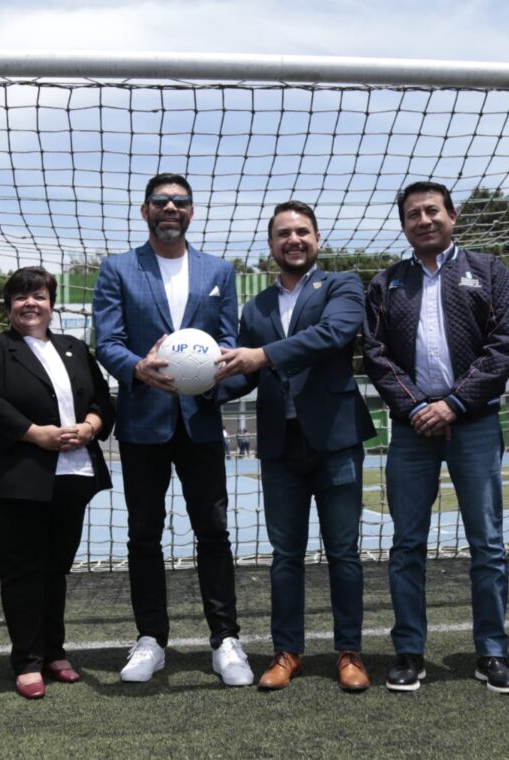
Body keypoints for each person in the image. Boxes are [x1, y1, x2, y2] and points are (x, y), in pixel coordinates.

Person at [92, 172, 252, 686]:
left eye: (180, 201)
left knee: (214, 532)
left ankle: (225, 639)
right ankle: (150, 640)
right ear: (145, 211)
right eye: (160, 201)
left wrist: (212, 378)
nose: (170, 208)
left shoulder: (219, 271)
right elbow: (107, 341)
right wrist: (137, 368)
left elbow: (229, 341)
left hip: (200, 420)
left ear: (191, 211)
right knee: (144, 534)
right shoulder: (118, 268)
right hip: (143, 423)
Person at [363, 180, 509, 694]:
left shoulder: (489, 270)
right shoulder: (386, 283)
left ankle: (492, 652)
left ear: (453, 216)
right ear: (404, 225)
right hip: (412, 429)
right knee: (406, 544)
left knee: (487, 544)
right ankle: (409, 651)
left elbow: (505, 346)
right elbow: (376, 355)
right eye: (413, 214)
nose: (424, 220)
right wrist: (416, 407)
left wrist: (454, 403)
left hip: (474, 423)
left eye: (432, 211)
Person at [217, 201, 376, 691]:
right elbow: (243, 374)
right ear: (271, 245)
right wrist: (197, 385)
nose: (294, 240)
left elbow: (334, 335)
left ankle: (349, 652)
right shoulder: (256, 307)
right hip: (280, 447)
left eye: (302, 231)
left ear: (317, 239)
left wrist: (262, 354)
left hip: (336, 441)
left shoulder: (343, 285)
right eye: (283, 233)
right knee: (285, 555)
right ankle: (287, 652)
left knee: (344, 553)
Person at [0, 266, 114, 699]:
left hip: (73, 477)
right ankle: (27, 660)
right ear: (8, 305)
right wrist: (34, 434)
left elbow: (102, 398)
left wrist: (90, 426)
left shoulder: (74, 348)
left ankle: (54, 651)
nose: (31, 303)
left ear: (51, 304)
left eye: (39, 296)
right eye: (21, 297)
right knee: (22, 573)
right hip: (15, 480)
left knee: (55, 571)